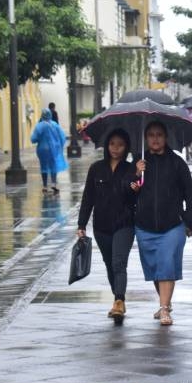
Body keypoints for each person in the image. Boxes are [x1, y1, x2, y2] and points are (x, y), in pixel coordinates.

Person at [131, 121, 192, 326]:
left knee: (166, 263)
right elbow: (129, 193)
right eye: (151, 135)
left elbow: (189, 193)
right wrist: (136, 175)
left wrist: (189, 220)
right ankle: (164, 302)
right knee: (156, 269)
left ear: (166, 138)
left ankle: (165, 309)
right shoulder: (139, 162)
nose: (155, 139)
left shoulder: (177, 163)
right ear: (145, 138)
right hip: (144, 225)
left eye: (159, 134)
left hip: (172, 225)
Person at [77, 129, 137, 321]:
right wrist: (82, 224)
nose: (116, 148)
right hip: (101, 226)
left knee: (119, 262)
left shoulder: (132, 168)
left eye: (120, 144)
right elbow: (88, 198)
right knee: (110, 264)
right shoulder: (96, 168)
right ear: (107, 145)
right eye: (112, 144)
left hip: (124, 224)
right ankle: (118, 299)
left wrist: (136, 185)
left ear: (126, 147)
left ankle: (119, 301)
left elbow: (135, 198)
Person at [31, 108, 69, 194]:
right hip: (53, 149)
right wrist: (59, 146)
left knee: (43, 166)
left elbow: (33, 139)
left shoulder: (39, 126)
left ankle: (45, 186)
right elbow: (62, 137)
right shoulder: (55, 125)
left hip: (42, 149)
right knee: (53, 165)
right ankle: (53, 184)